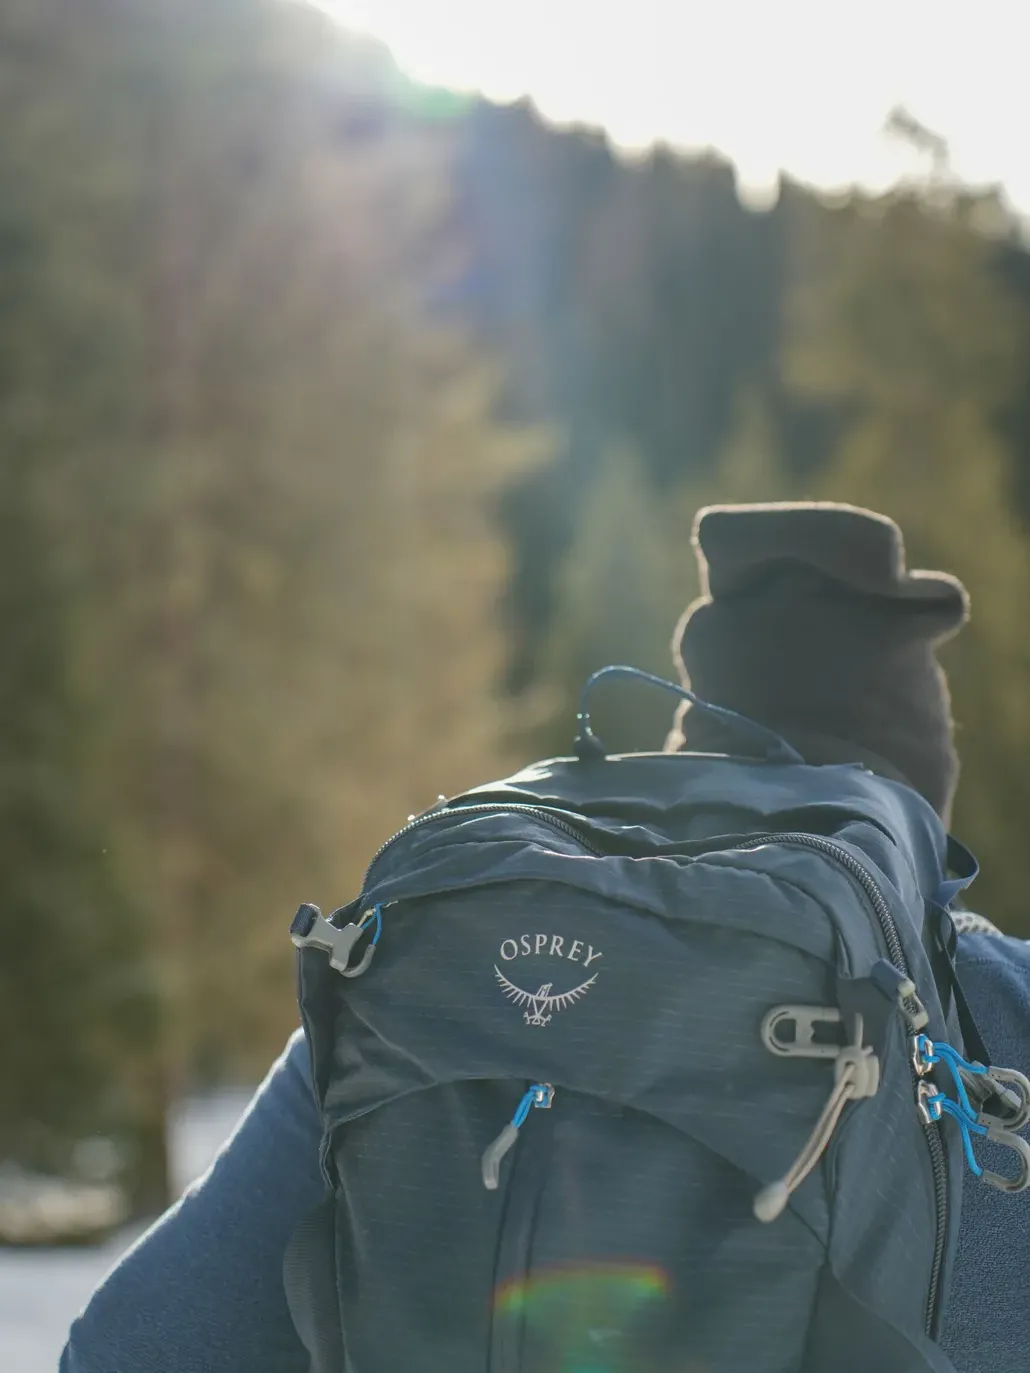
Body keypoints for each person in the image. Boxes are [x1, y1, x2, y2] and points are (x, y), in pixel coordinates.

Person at [61, 503, 1030, 1373]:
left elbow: (133, 1346)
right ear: (909, 809)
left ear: (695, 754)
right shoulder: (996, 999)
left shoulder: (422, 980)